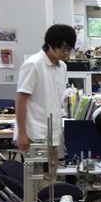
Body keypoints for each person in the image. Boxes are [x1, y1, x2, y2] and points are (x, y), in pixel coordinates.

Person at [15, 24, 75, 186]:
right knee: (37, 184)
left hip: (52, 135)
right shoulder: (33, 64)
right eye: (63, 48)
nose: (66, 52)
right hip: (34, 135)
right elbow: (21, 99)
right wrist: (22, 133)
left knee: (50, 181)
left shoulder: (62, 67)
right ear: (50, 43)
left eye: (69, 49)